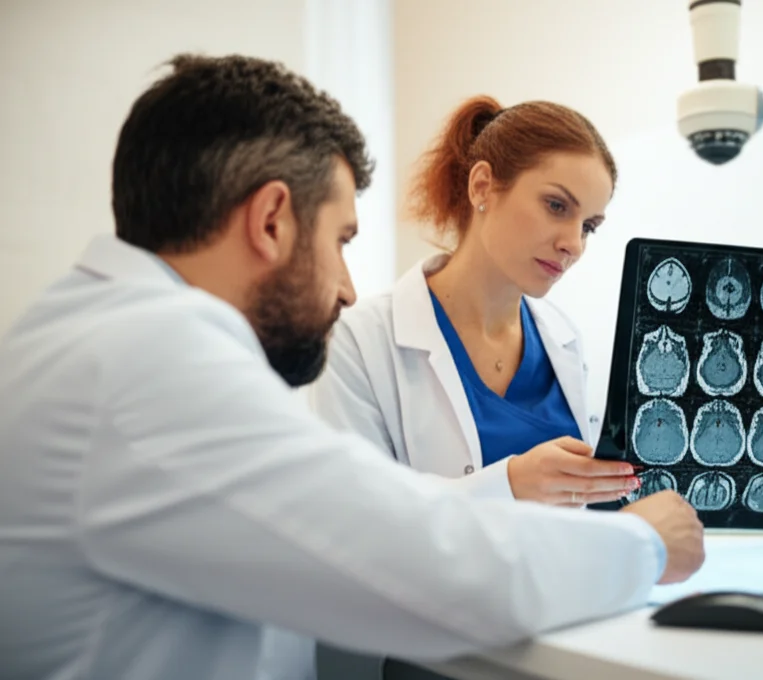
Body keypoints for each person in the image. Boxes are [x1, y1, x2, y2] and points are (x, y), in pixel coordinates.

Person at [0, 54, 706, 680]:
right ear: (272, 219)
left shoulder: (85, 335)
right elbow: (418, 560)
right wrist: (644, 543)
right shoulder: (149, 358)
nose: (344, 287)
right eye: (339, 240)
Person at [310, 96, 637, 508]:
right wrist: (509, 484)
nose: (572, 244)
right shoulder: (357, 342)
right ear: (482, 186)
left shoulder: (563, 338)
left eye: (589, 226)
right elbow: (351, 519)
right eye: (556, 206)